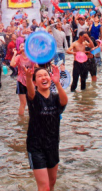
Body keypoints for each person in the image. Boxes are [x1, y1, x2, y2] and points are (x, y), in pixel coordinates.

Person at [20, 63, 68, 191]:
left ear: (50, 78)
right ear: (35, 82)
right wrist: (29, 79)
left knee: (52, 183)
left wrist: (58, 83)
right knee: (44, 187)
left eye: (46, 75)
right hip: (36, 146)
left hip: (52, 144)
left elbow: (64, 101)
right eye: (39, 76)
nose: (43, 78)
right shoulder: (34, 98)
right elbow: (30, 92)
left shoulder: (56, 97)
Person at [11, 44, 37, 116]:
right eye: (21, 46)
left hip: (31, 81)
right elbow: (12, 64)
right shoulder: (18, 57)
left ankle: (31, 118)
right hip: (21, 81)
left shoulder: (31, 57)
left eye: (24, 46)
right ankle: (21, 120)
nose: (23, 47)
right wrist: (15, 54)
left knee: (31, 102)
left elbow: (37, 66)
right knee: (23, 103)